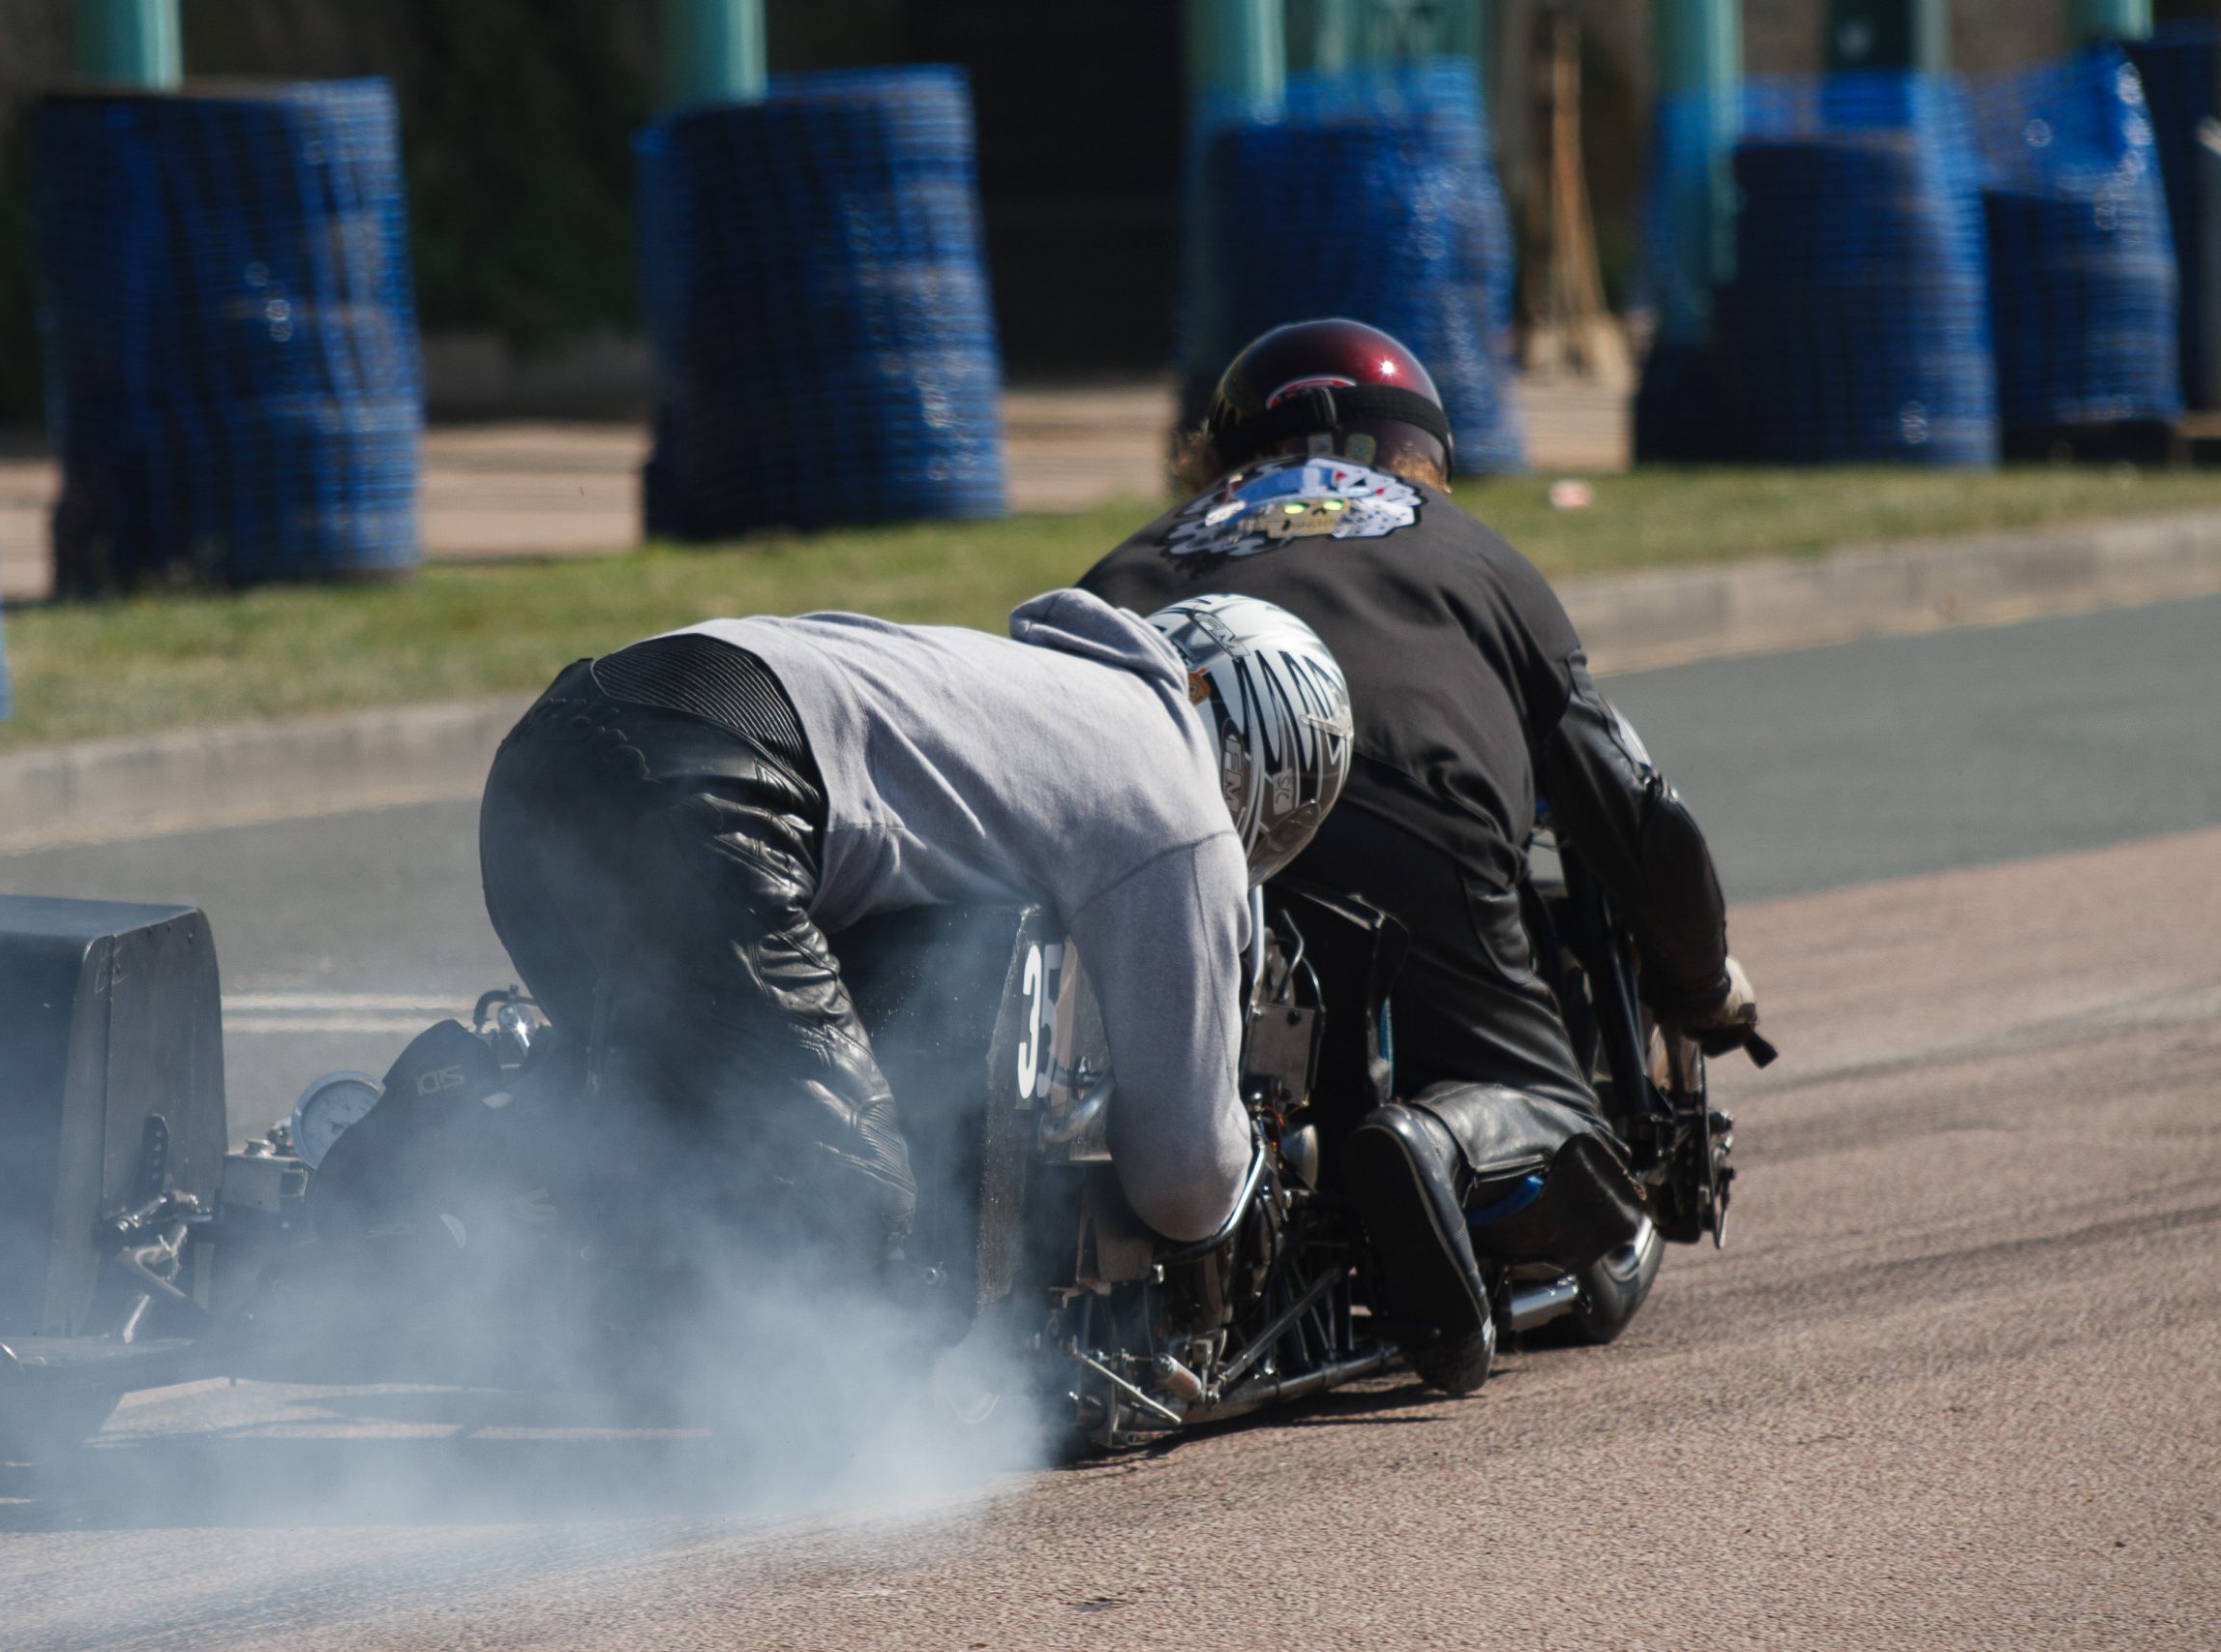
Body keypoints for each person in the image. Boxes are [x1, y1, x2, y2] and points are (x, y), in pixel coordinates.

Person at [1078, 318, 1758, 1396]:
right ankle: (1442, 1139)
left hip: (1152, 833)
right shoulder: (1462, 544)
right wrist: (1707, 988)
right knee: (1563, 1127)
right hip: (1398, 804)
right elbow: (1630, 808)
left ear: (1218, 455)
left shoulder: (1132, 557)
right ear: (1419, 454)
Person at [471, 587, 1352, 1288]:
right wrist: (1251, 1187)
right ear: (1276, 775)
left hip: (557, 745)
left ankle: (427, 1144)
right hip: (708, 779)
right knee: (865, 1225)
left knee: (646, 1118)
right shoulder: (1184, 814)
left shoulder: (1058, 691)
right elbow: (1185, 1181)